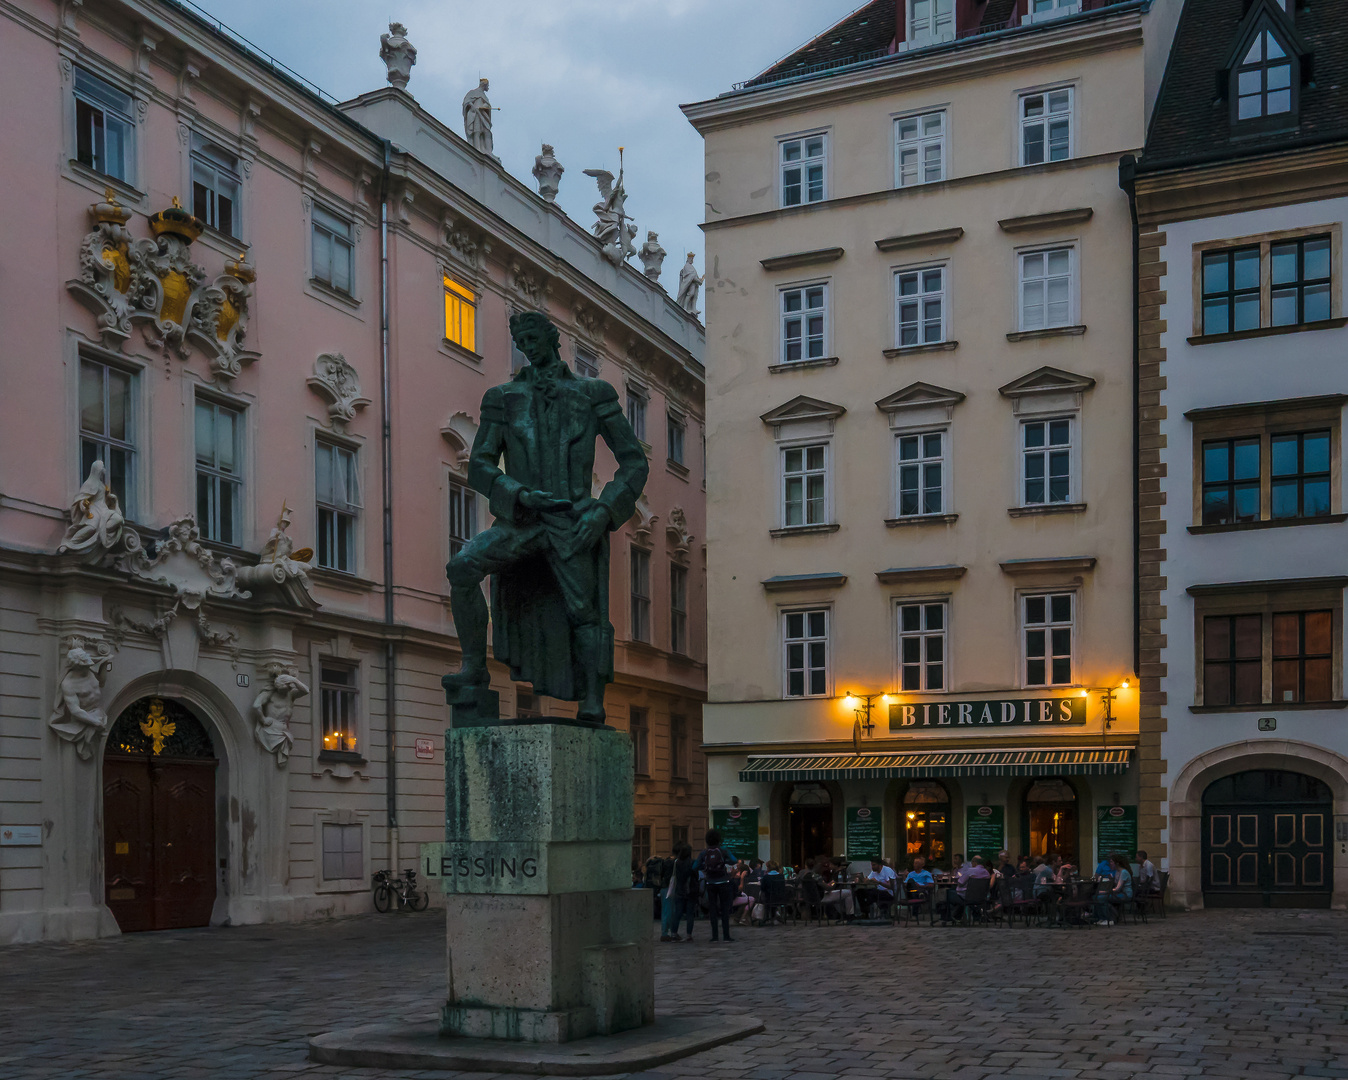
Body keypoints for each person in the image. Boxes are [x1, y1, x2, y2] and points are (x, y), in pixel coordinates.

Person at [696, 829, 736, 942]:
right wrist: (725, 861)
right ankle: (726, 935)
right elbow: (734, 860)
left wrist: (704, 866)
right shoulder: (723, 850)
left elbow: (695, 866)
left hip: (710, 882)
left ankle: (714, 936)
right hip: (723, 881)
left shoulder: (704, 852)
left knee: (712, 909)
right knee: (724, 908)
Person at [940, 855, 991, 924]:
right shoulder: (987, 873)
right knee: (956, 897)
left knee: (946, 893)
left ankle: (947, 917)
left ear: (974, 862)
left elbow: (961, 882)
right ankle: (958, 916)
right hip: (981, 898)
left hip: (966, 897)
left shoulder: (971, 871)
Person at [1093, 854, 1134, 924]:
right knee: (1095, 897)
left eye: (1112, 862)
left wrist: (1104, 892)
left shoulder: (1123, 872)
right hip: (1119, 893)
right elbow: (1114, 885)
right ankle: (1101, 918)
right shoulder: (1118, 872)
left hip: (1125, 895)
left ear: (1117, 863)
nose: (1110, 863)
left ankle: (1108, 919)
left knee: (1101, 898)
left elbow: (1117, 888)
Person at [670, 843, 698, 941]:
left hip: (679, 889)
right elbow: (696, 875)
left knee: (677, 913)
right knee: (690, 913)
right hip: (691, 890)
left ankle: (674, 933)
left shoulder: (677, 862)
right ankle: (689, 935)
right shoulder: (692, 862)